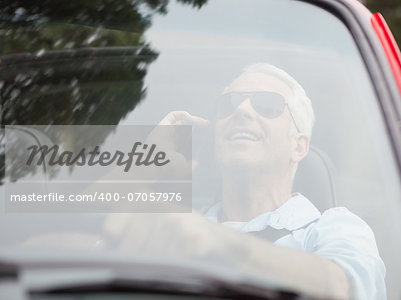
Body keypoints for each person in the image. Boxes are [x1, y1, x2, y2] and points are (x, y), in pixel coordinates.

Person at [103, 63, 386, 299]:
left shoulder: (334, 228)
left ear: (299, 146)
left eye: (267, 104)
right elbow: (80, 228)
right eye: (229, 104)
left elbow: (347, 287)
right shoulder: (171, 229)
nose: (242, 111)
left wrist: (217, 244)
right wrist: (147, 164)